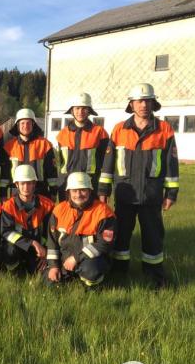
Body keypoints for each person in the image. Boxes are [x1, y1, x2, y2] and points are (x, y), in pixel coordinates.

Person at [98, 83, 179, 288]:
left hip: (151, 195)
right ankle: (119, 273)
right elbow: (108, 165)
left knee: (153, 236)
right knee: (121, 235)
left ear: (153, 103)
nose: (143, 105)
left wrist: (171, 193)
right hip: (125, 194)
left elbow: (171, 164)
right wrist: (103, 191)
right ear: (131, 104)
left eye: (147, 101)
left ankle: (154, 277)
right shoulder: (119, 130)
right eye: (139, 101)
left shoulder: (164, 130)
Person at [44, 172, 115, 289]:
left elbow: (104, 243)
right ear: (68, 192)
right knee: (49, 282)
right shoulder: (59, 210)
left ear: (90, 190)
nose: (78, 194)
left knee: (91, 271)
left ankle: (92, 286)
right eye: (74, 191)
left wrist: (76, 258)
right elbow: (52, 241)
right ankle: (67, 275)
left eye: (83, 190)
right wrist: (53, 266)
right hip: (65, 257)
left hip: (90, 259)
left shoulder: (103, 212)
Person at [0, 164, 55, 274]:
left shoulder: (47, 205)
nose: (26, 187)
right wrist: (32, 243)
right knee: (9, 250)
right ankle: (14, 271)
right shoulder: (8, 206)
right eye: (22, 183)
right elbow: (6, 232)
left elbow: (52, 233)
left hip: (40, 249)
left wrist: (46, 251)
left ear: (34, 184)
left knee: (40, 272)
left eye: (29, 183)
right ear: (17, 185)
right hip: (18, 247)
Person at [55, 92, 109, 202]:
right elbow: (60, 163)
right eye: (77, 108)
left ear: (89, 110)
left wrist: (103, 190)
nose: (80, 112)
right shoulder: (62, 134)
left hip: (90, 185)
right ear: (72, 110)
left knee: (91, 218)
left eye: (84, 108)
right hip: (67, 185)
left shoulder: (99, 132)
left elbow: (106, 164)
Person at [1, 108, 57, 200]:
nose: (25, 126)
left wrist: (53, 192)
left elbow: (52, 172)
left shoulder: (45, 144)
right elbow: (5, 174)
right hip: (17, 192)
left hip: (40, 191)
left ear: (33, 124)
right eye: (22, 123)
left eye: (28, 123)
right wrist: (3, 194)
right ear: (17, 125)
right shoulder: (9, 147)